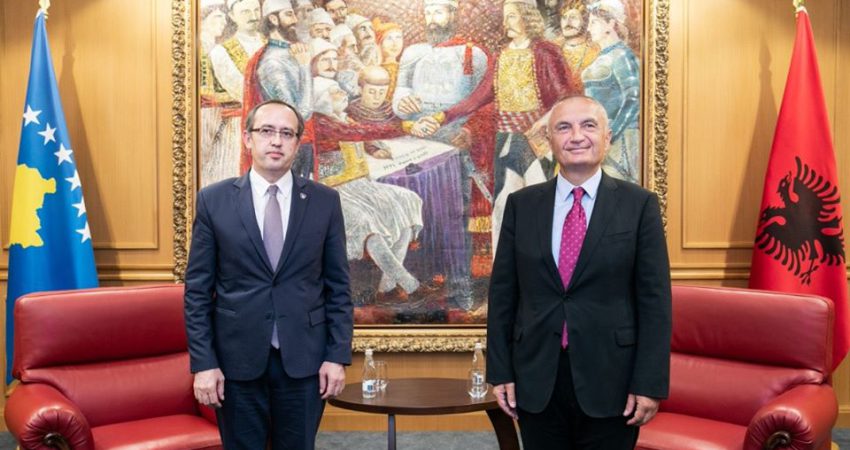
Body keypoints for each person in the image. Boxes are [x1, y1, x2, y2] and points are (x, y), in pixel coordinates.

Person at [486, 95, 671, 449]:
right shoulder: (521, 205)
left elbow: (655, 301)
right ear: (550, 140)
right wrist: (500, 371)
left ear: (607, 137)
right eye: (563, 127)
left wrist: (649, 383)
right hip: (536, 377)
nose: (576, 136)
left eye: (588, 126)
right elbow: (503, 294)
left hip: (613, 379)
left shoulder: (639, 205)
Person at [185, 99, 353, 450]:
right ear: (248, 138)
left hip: (306, 362)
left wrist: (336, 356)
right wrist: (204, 364)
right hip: (235, 362)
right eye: (266, 131)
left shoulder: (325, 202)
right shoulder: (214, 201)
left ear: (297, 143)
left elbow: (339, 288)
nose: (276, 141)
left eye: (286, 133)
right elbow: (197, 292)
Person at [241, 0, 313, 176]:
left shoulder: (292, 52)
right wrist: (305, 67)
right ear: (273, 19)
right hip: (285, 147)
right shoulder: (272, 63)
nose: (295, 19)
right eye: (289, 14)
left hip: (301, 143)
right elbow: (300, 115)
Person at [582, 0, 640, 183]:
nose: (589, 28)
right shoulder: (602, 56)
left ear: (610, 24)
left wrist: (611, 134)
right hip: (599, 136)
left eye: (594, 22)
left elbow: (634, 99)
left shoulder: (622, 55)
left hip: (620, 137)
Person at [552, 0, 600, 90]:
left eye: (573, 17)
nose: (567, 22)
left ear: (585, 21)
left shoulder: (596, 51)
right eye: (564, 17)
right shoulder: (550, 49)